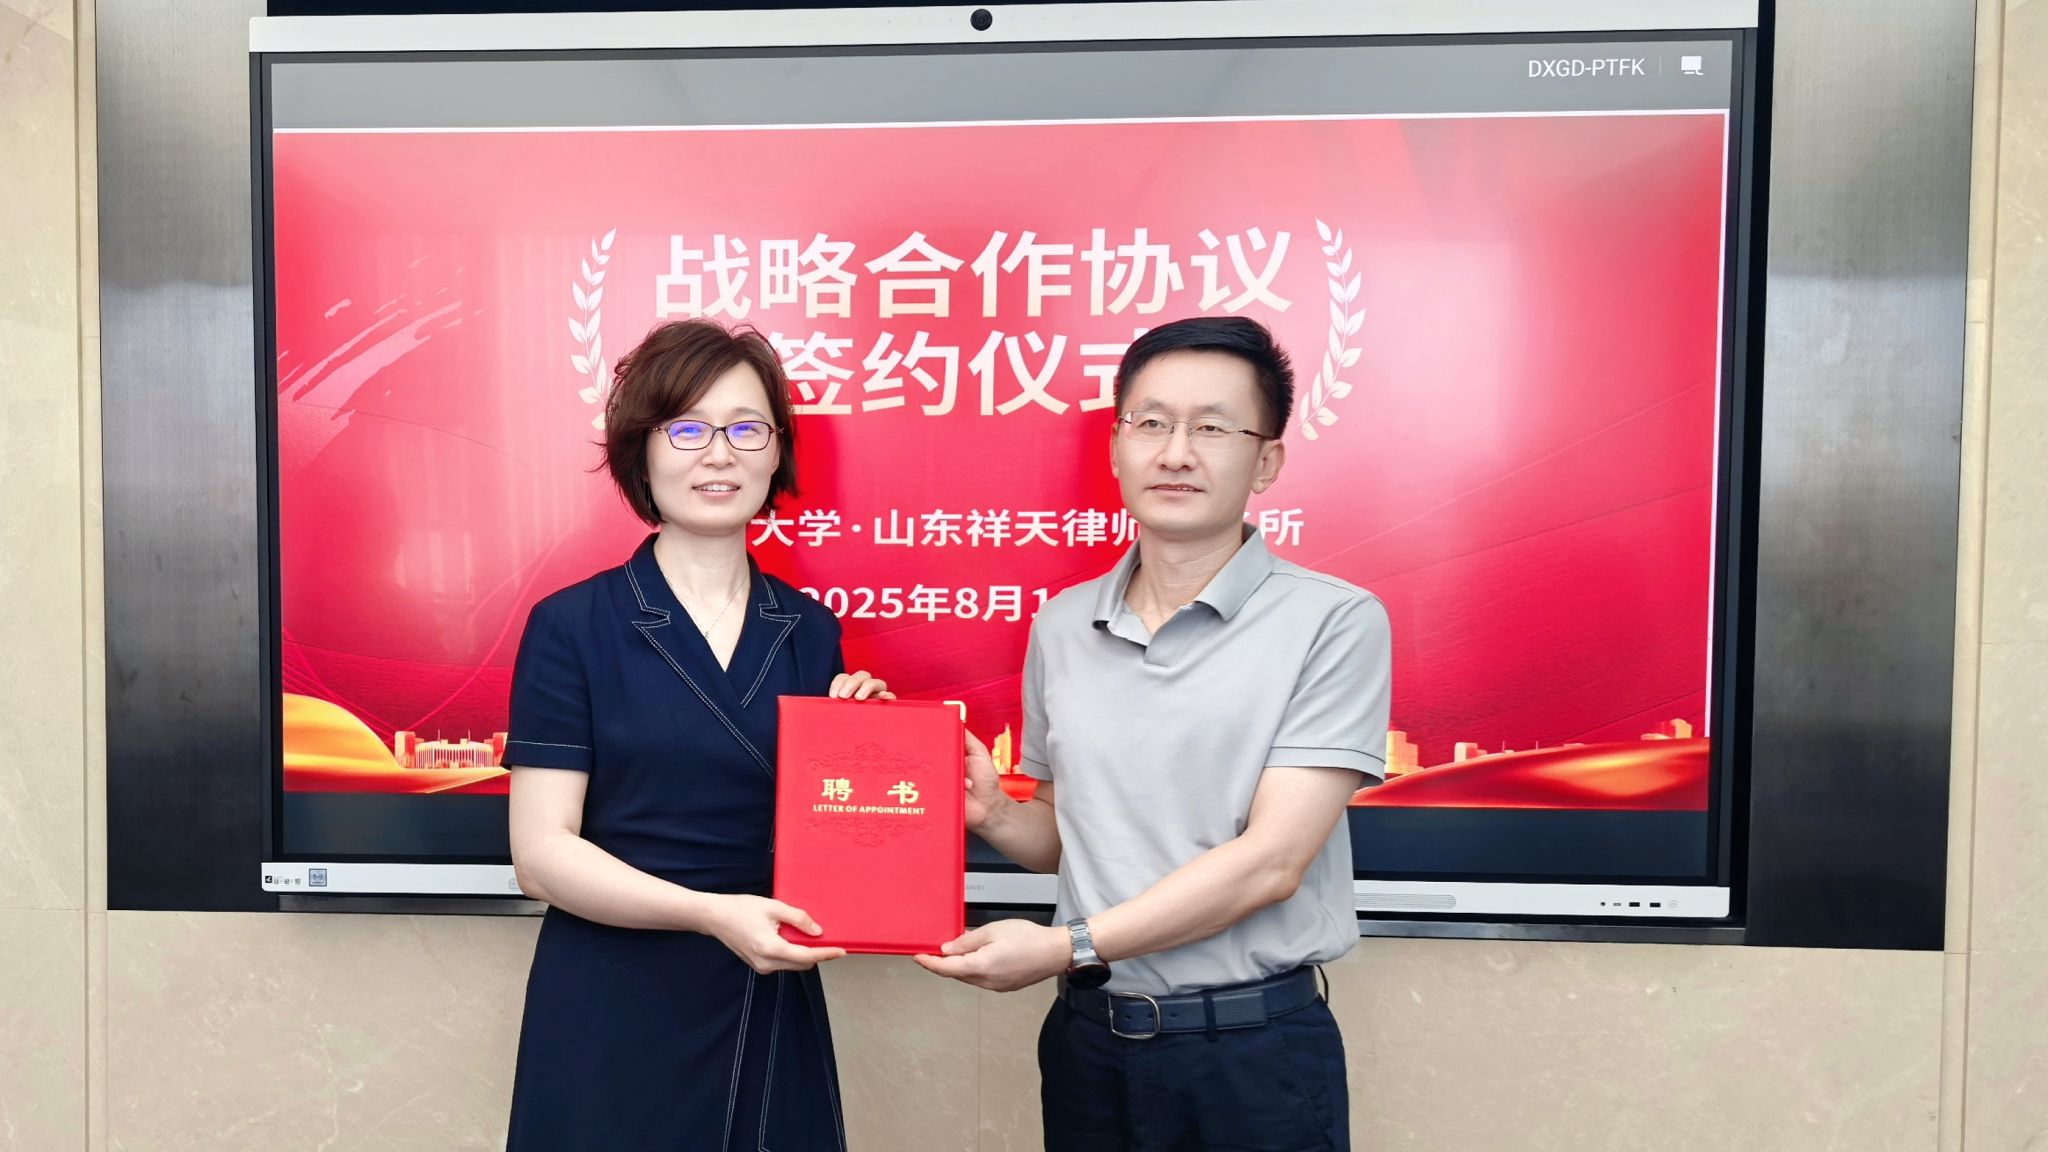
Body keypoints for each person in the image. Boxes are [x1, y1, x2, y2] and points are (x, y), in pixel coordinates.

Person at [917, 315, 1391, 1151]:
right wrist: (996, 815)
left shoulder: (1334, 620)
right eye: (1151, 423)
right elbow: (1071, 839)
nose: (1176, 453)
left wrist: (1065, 947)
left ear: (1267, 461)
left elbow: (1272, 863)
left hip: (1252, 1054)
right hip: (1088, 1045)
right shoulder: (1063, 624)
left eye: (1212, 428)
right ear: (1115, 447)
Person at [504, 319, 889, 1152]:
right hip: (611, 994)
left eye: (747, 429)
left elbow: (828, 832)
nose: (720, 455)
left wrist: (873, 753)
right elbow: (540, 855)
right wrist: (711, 915)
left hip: (762, 986)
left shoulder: (810, 630)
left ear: (777, 452)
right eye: (688, 429)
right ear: (642, 452)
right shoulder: (573, 625)